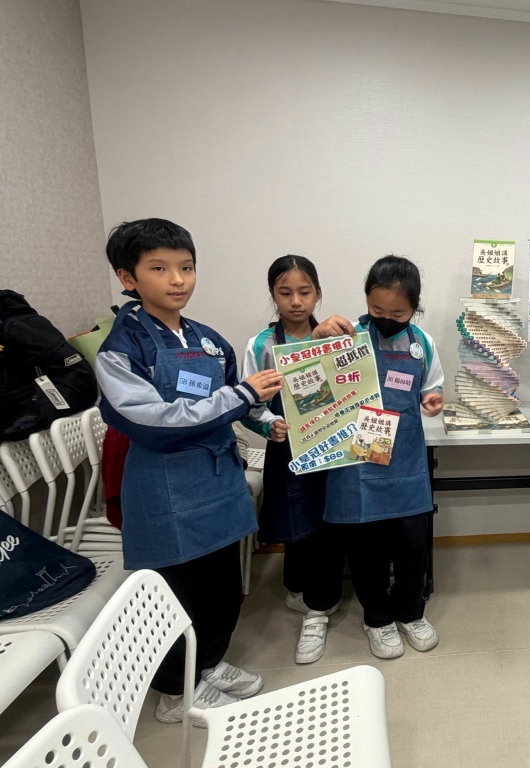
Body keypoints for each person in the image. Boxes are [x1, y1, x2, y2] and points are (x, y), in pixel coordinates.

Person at [95, 219, 282, 723]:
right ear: (127, 277)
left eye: (186, 267)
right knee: (177, 597)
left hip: (217, 481)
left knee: (221, 589)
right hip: (166, 488)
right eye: (159, 268)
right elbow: (149, 420)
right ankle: (177, 694)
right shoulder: (121, 349)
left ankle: (210, 664)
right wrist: (242, 396)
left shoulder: (208, 339)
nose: (178, 279)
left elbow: (241, 397)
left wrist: (269, 422)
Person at [319, 255, 444, 660]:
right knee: (367, 548)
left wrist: (432, 399)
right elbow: (311, 383)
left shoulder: (421, 344)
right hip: (360, 458)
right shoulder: (349, 337)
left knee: (412, 545)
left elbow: (431, 387)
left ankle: (410, 613)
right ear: (366, 301)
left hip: (405, 457)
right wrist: (317, 338)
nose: (387, 319)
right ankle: (377, 619)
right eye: (377, 310)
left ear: (415, 308)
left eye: (398, 314)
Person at [241, 255, 355, 664]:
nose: (295, 301)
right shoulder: (261, 345)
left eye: (304, 292)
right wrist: (268, 424)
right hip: (287, 446)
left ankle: (318, 608)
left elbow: (353, 386)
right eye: (285, 292)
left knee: (326, 523)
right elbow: (249, 403)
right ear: (273, 295)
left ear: (317, 294)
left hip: (331, 445)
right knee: (295, 521)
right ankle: (297, 588)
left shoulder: (337, 336)